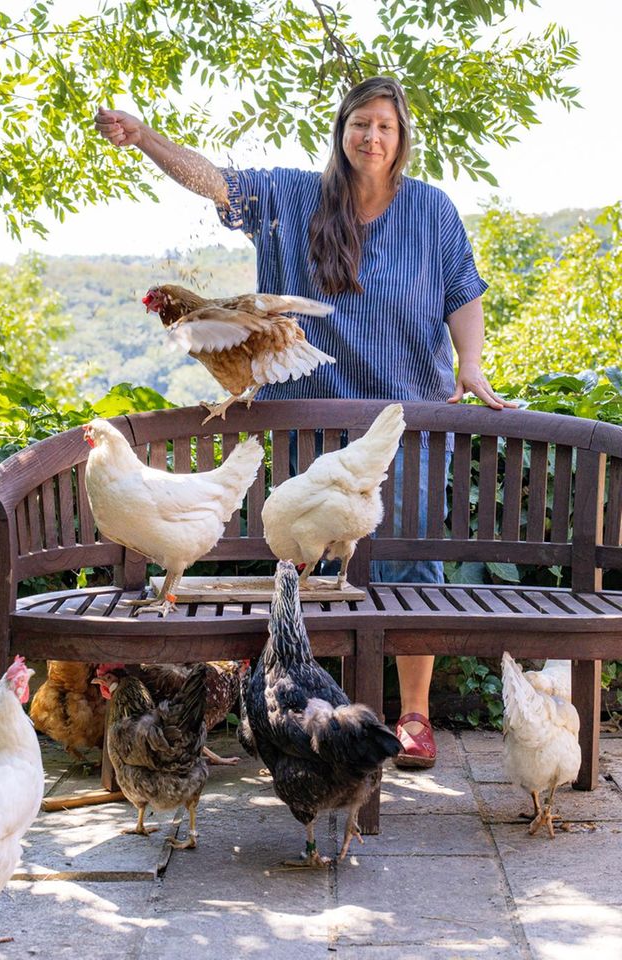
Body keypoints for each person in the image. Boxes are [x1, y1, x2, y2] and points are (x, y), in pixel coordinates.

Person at [94, 76, 517, 770]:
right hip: (312, 428)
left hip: (402, 423)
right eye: (360, 123)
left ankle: (412, 714)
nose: (371, 136)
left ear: (401, 137)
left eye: (385, 125)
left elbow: (462, 294)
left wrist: (470, 367)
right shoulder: (292, 197)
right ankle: (320, 711)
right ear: (342, 131)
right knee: (307, 568)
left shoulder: (433, 211)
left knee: (414, 561)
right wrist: (144, 139)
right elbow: (215, 182)